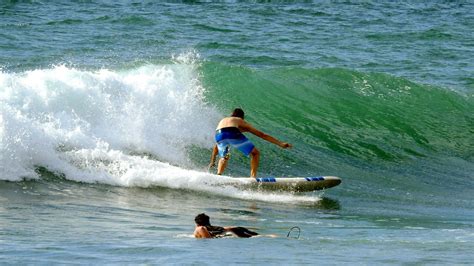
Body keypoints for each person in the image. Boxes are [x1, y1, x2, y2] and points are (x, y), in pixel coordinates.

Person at [209, 108, 292, 177]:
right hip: (232, 132)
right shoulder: (239, 120)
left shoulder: (224, 120)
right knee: (255, 153)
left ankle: (218, 175)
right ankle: (253, 177)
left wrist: (212, 161)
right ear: (242, 116)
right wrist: (280, 144)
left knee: (224, 157)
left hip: (218, 135)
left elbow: (216, 146)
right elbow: (262, 135)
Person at [193, 213, 259, 238]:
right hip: (233, 228)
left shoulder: (201, 228)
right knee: (254, 235)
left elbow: (208, 239)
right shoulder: (202, 228)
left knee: (251, 236)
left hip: (234, 229)